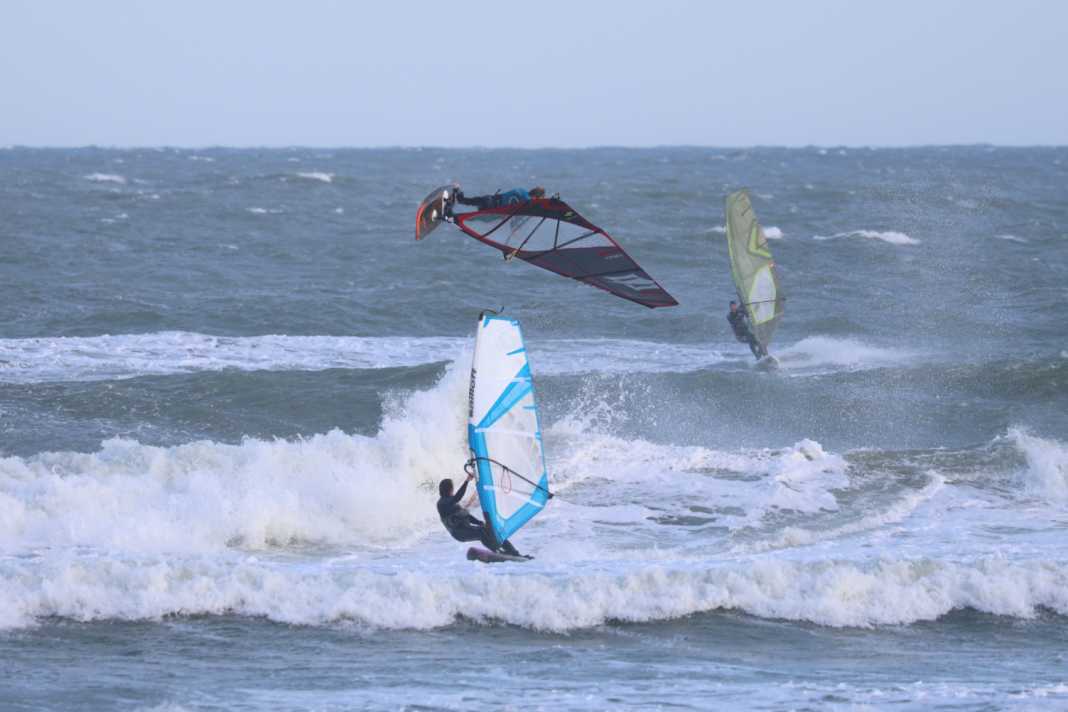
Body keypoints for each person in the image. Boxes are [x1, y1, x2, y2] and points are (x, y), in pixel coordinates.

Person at [436, 473, 523, 556]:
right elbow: (458, 497)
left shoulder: (453, 503)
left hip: (465, 529)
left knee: (492, 531)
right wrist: (467, 481)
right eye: (452, 488)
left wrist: (479, 522)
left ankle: (513, 552)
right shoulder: (442, 503)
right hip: (459, 533)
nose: (453, 490)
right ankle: (498, 551)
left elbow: (467, 516)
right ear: (449, 489)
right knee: (481, 533)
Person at [454, 186, 546, 211]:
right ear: (535, 196)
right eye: (538, 199)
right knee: (476, 219)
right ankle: (450, 215)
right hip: (491, 206)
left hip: (489, 199)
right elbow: (532, 205)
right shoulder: (527, 200)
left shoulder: (522, 191)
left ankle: (457, 190)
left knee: (465, 201)